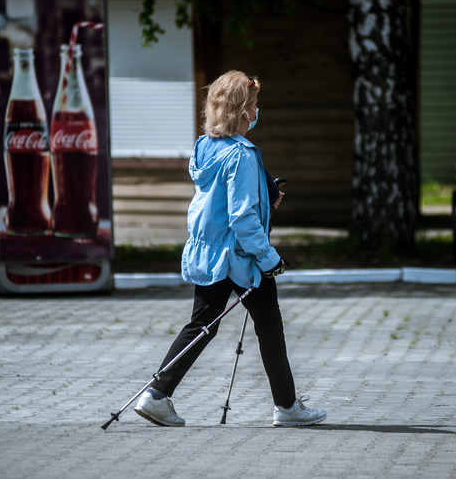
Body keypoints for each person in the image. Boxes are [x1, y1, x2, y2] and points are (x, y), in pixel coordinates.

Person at [134, 70, 327, 427]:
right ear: (241, 113)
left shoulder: (205, 146)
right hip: (240, 257)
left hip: (210, 252)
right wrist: (270, 259)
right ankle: (287, 408)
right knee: (269, 324)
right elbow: (242, 218)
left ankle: (156, 395)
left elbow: (225, 202)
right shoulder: (243, 154)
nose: (256, 111)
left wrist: (265, 195)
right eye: (253, 105)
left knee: (202, 323)